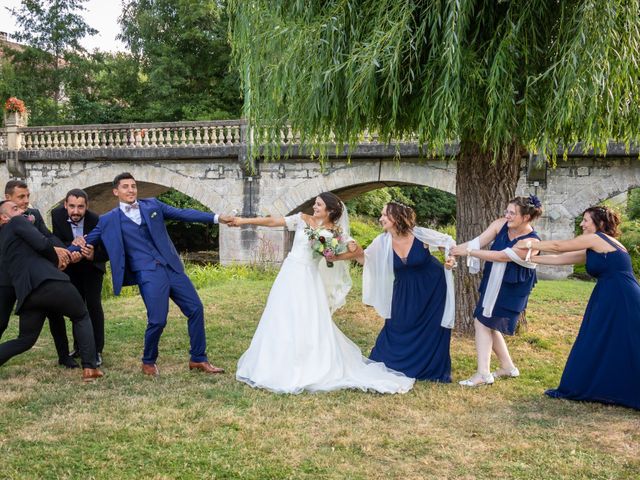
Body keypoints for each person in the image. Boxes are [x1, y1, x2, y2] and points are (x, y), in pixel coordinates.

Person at [229, 192, 414, 394]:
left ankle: (307, 363)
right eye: (315, 204)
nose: (314, 207)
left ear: (330, 210)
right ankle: (273, 363)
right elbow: (273, 221)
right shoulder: (302, 219)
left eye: (319, 205)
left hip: (309, 278)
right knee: (280, 315)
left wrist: (339, 254)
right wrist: (243, 221)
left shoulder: (336, 232)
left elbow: (356, 251)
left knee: (306, 319)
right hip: (289, 274)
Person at [69, 172, 230, 376]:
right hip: (147, 272)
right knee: (158, 320)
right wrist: (61, 254)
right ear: (115, 191)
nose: (131, 190)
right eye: (126, 186)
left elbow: (183, 213)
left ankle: (198, 358)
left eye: (133, 186)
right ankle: (148, 361)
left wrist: (217, 218)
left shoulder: (153, 205)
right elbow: (88, 240)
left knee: (196, 308)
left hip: (171, 267)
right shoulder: (108, 220)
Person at [515, 206, 640, 410]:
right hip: (610, 295)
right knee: (603, 340)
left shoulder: (598, 238)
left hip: (621, 296)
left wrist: (530, 242)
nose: (581, 224)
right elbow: (560, 259)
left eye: (585, 220)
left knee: (628, 342)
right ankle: (607, 387)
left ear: (599, 223)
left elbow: (558, 246)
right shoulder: (596, 247)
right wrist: (529, 258)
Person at [0, 200, 103, 382]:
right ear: (3, 217)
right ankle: (90, 367)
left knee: (25, 339)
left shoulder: (5, 239)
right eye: (14, 209)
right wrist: (58, 258)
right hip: (49, 281)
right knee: (81, 315)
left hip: (28, 293)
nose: (21, 211)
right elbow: (41, 243)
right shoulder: (17, 222)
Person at [356, 202, 456, 382]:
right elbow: (366, 259)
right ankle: (392, 363)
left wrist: (450, 259)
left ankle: (429, 369)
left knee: (432, 328)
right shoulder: (382, 241)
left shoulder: (420, 234)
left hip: (433, 287)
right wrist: (344, 250)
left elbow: (447, 243)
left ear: (396, 216)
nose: (381, 219)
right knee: (396, 324)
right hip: (404, 290)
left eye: (385, 215)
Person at [450, 195, 542, 387]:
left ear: (526, 217)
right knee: (487, 322)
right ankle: (507, 367)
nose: (506, 215)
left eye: (512, 213)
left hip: (512, 285)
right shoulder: (501, 224)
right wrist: (454, 249)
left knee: (482, 322)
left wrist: (469, 253)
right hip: (493, 280)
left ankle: (483, 373)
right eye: (507, 211)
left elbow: (501, 256)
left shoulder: (532, 242)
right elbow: (477, 242)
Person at [0, 180, 75, 368]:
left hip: (32, 277)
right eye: (21, 197)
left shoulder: (33, 215)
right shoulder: (3, 215)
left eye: (27, 196)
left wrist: (62, 251)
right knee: (1, 321)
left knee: (55, 314)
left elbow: (46, 237)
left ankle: (64, 357)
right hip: (6, 278)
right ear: (8, 198)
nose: (26, 201)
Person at [51, 189, 108, 367]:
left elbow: (107, 251)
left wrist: (91, 255)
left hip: (92, 267)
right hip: (71, 268)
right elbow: (55, 240)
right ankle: (80, 347)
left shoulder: (97, 220)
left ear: (87, 206)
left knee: (93, 306)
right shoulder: (56, 215)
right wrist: (70, 247)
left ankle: (97, 350)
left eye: (80, 207)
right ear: (65, 205)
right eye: (72, 206)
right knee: (76, 307)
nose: (76, 211)